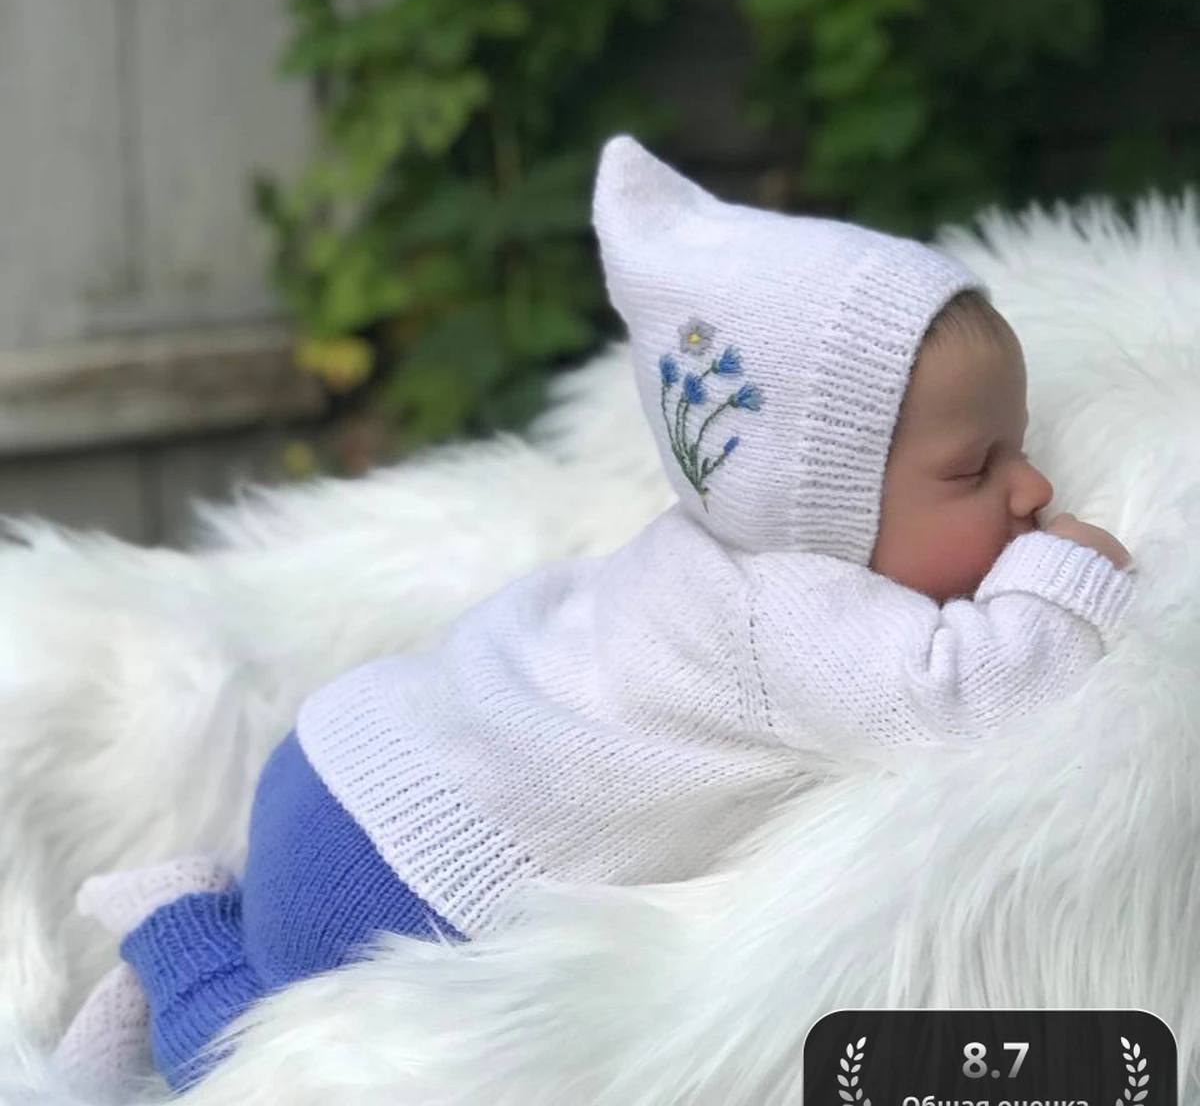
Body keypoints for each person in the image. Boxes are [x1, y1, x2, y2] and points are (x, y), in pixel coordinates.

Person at [54, 136, 1134, 1093]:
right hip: (402, 861)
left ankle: (201, 926)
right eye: (978, 468)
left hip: (348, 762)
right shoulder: (790, 610)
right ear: (824, 494)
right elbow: (966, 696)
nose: (1034, 488)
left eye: (1022, 446)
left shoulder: (712, 555)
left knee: (282, 993)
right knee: (266, 1058)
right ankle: (174, 934)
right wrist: (1067, 574)